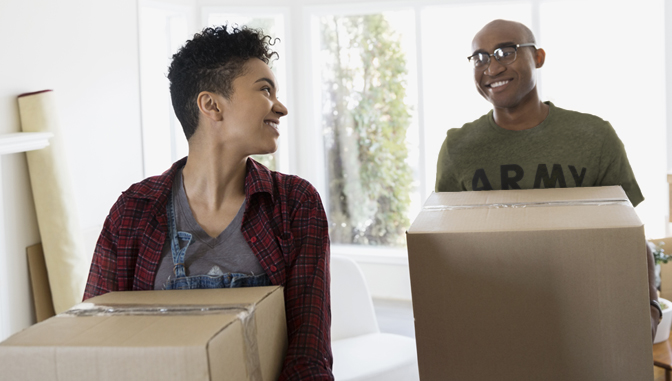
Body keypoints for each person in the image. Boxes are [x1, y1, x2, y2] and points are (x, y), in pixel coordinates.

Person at [84, 25, 333, 380]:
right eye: (265, 90)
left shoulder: (295, 204)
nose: (281, 108)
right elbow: (96, 338)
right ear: (212, 105)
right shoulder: (133, 211)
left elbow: (308, 354)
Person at [435, 19, 662, 340]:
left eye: (505, 52)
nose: (492, 67)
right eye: (480, 58)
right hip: (494, 316)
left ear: (538, 57)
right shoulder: (458, 147)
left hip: (588, 314)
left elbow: (629, 232)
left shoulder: (595, 136)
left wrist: (650, 304)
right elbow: (443, 244)